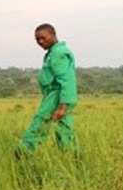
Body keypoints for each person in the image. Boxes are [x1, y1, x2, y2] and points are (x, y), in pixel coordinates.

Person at [16, 23, 77, 157]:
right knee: (64, 130)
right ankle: (72, 158)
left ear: (53, 35)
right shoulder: (54, 52)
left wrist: (63, 105)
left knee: (39, 125)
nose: (40, 42)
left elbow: (67, 81)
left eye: (43, 38)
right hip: (58, 96)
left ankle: (22, 154)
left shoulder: (59, 54)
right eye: (37, 39)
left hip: (57, 96)